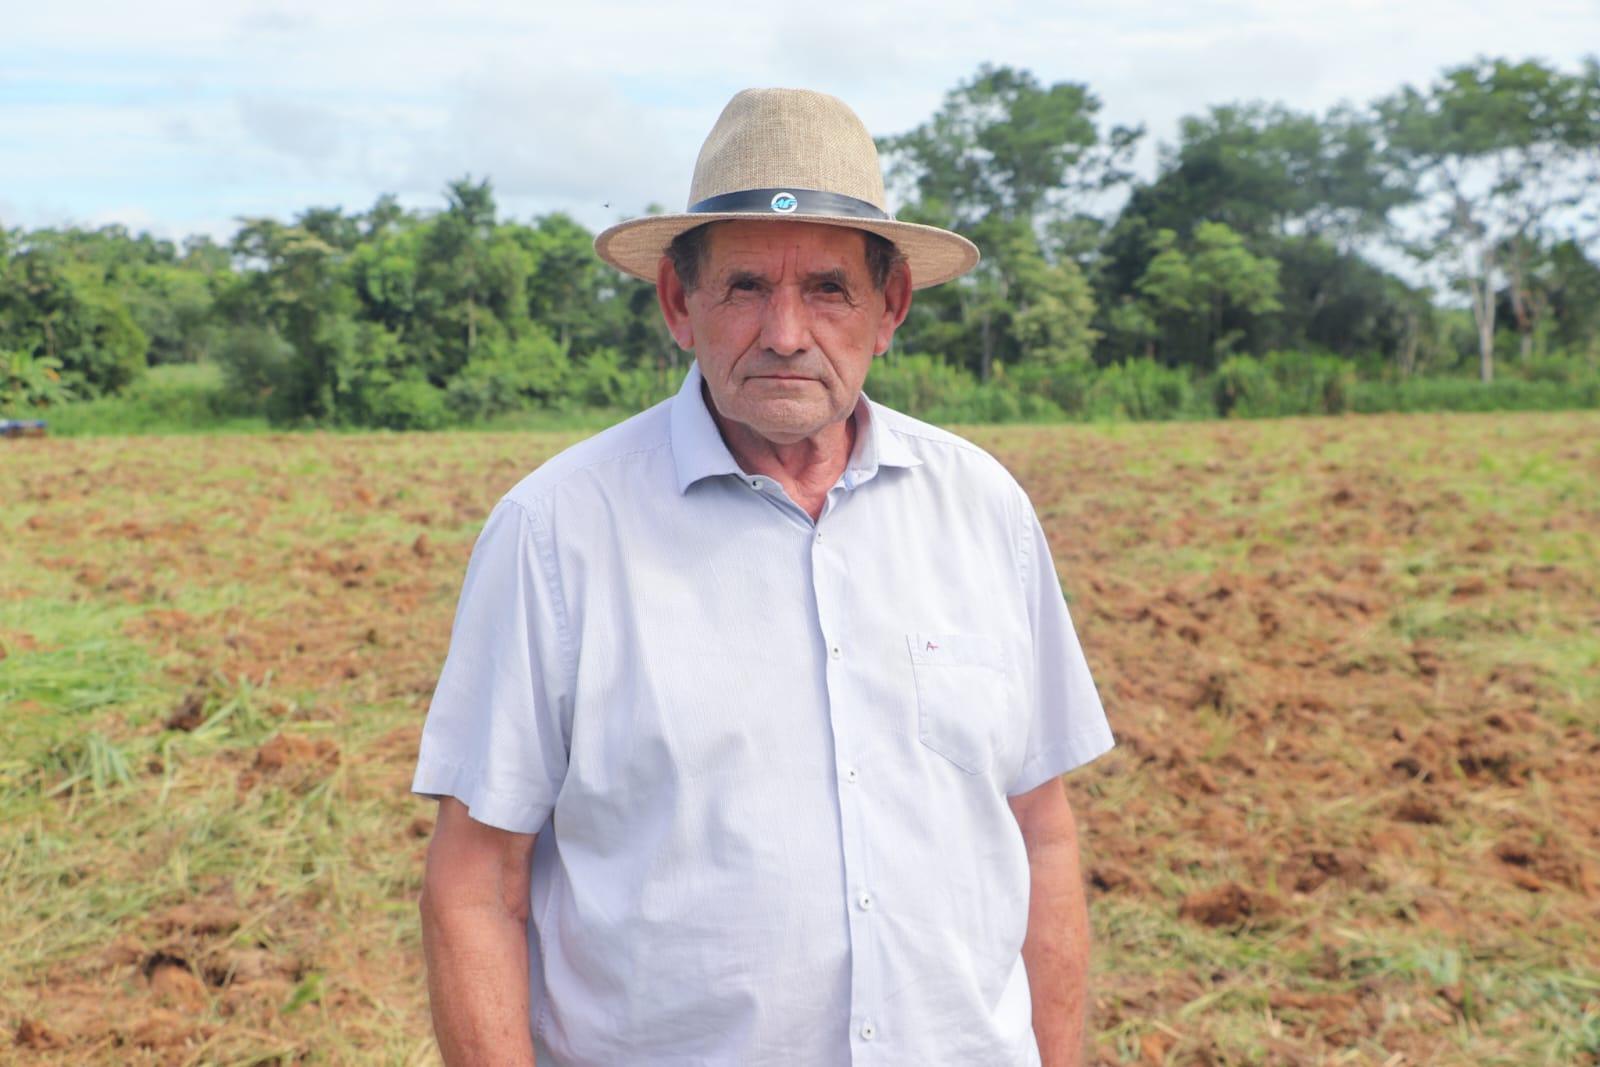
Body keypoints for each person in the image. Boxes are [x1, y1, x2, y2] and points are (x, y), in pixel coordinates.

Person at [412, 86, 1115, 1067]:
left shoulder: (983, 507)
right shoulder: (556, 531)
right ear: (678, 301)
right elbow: (477, 879)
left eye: (828, 287)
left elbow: (1038, 831)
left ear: (889, 307)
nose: (785, 331)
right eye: (744, 286)